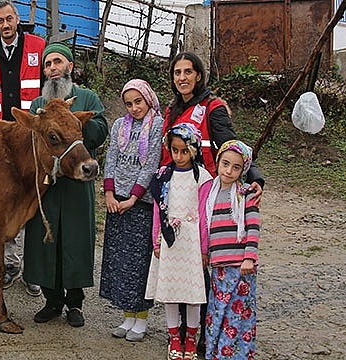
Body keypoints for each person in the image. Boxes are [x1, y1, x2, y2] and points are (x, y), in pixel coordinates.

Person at [163, 51, 266, 356]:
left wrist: (255, 176)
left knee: (203, 269)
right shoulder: (173, 109)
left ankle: (208, 334)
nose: (182, 77)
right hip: (176, 193)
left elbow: (230, 144)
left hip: (205, 194)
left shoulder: (213, 107)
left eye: (188, 71)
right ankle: (181, 333)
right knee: (180, 266)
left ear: (199, 75)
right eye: (177, 72)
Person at [23, 43, 109, 327]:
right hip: (48, 185)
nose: (52, 69)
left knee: (74, 241)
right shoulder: (38, 105)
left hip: (76, 185)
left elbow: (99, 132)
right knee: (46, 241)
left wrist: (71, 123)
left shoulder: (87, 97)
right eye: (47, 65)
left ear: (70, 67)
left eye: (57, 62)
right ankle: (52, 301)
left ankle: (74, 303)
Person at [0, 0, 45, 295]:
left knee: (34, 198)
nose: (5, 24)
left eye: (9, 18)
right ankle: (10, 262)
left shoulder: (39, 47)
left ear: (18, 19)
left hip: (32, 137)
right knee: (3, 199)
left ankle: (35, 270)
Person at [99, 79, 163, 341]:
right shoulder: (119, 125)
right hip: (117, 202)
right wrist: (109, 193)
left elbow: (150, 163)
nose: (134, 108)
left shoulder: (156, 125)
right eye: (129, 103)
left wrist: (134, 198)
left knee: (138, 263)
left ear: (148, 99)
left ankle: (141, 319)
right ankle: (126, 316)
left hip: (140, 203)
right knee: (119, 261)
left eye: (139, 101)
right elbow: (111, 158)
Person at [145, 123, 213, 360]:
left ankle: (190, 339)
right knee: (171, 292)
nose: (179, 156)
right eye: (175, 150)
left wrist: (205, 249)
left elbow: (205, 214)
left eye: (184, 151)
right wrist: (156, 241)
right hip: (169, 242)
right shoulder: (163, 176)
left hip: (192, 243)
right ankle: (174, 337)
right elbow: (158, 210)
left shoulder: (203, 177)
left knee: (193, 295)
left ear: (193, 150)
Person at [204, 140, 260, 360]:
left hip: (241, 267)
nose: (229, 170)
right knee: (217, 312)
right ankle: (215, 353)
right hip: (218, 265)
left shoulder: (246, 195)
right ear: (218, 162)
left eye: (236, 167)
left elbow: (253, 228)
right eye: (225, 164)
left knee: (237, 313)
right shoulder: (209, 193)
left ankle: (236, 355)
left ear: (243, 170)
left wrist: (249, 258)